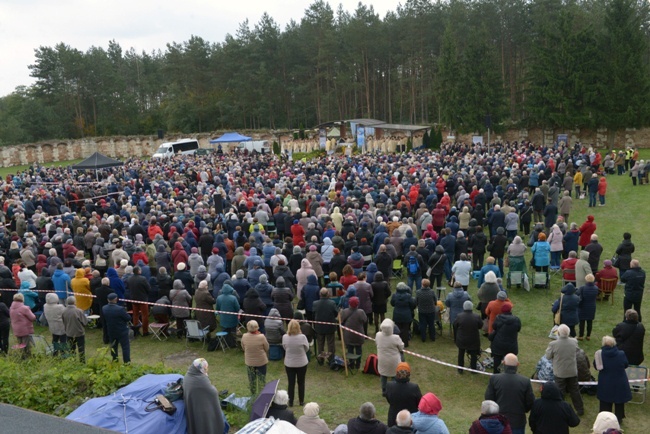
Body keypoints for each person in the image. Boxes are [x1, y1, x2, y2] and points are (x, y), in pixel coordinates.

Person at [484, 354, 533, 434]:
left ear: (503, 363)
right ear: (517, 364)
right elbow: (530, 402)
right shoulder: (525, 381)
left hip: (498, 420)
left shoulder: (494, 379)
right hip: (517, 421)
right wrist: (522, 409)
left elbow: (489, 398)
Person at [544, 324, 584, 416]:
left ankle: (559, 410)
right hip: (572, 371)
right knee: (575, 390)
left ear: (558, 333)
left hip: (560, 373)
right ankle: (580, 409)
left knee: (560, 392)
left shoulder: (553, 344)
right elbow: (577, 351)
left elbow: (548, 356)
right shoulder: (574, 342)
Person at [594, 336, 632, 424]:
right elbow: (626, 364)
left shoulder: (599, 354)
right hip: (619, 380)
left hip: (605, 381)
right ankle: (619, 418)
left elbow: (596, 366)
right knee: (619, 401)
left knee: (605, 401)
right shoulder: (621, 354)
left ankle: (605, 419)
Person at [183, 358, 226, 434]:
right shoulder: (201, 380)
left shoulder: (188, 375)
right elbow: (213, 393)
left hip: (193, 406)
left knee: (197, 424)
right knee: (206, 424)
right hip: (202, 408)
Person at [385, 362, 422, 427]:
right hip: (410, 419)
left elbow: (389, 399)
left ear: (397, 373)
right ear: (408, 374)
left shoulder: (389, 386)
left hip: (393, 418)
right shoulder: (414, 387)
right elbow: (420, 403)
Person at [283, 319, 309, 407]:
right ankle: (301, 401)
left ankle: (290, 402)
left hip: (289, 363)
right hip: (301, 362)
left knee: (291, 383)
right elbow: (307, 348)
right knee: (301, 382)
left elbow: (285, 347)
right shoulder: (302, 337)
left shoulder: (285, 337)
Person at [376, 318, 405, 396]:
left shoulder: (378, 335)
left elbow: (377, 343)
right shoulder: (396, 337)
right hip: (393, 360)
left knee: (383, 374)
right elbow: (401, 347)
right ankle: (392, 390)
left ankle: (384, 390)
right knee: (394, 375)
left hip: (382, 360)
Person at [489, 304, 520, 374]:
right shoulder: (516, 320)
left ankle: (496, 375)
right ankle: (509, 374)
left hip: (498, 343)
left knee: (497, 360)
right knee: (510, 361)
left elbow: (494, 327)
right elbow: (518, 329)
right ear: (510, 310)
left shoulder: (498, 318)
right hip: (511, 344)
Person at [453, 300, 483, 374]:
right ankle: (473, 369)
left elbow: (455, 325)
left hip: (462, 339)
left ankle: (460, 369)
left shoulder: (459, 316)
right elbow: (480, 325)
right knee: (474, 354)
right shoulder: (476, 316)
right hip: (473, 339)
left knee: (461, 353)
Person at [102, 292, 131, 363]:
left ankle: (115, 360)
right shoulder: (120, 309)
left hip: (111, 330)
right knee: (125, 347)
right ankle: (127, 362)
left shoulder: (104, 308)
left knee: (113, 347)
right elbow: (128, 318)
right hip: (121, 331)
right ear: (116, 299)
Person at [341, 296, 367, 369]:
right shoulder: (361, 312)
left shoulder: (345, 311)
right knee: (359, 349)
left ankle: (351, 364)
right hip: (359, 335)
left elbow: (341, 320)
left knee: (350, 349)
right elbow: (365, 320)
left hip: (348, 335)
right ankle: (358, 364)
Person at [313, 288, 338, 363]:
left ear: (320, 294)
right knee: (330, 343)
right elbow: (336, 313)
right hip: (329, 327)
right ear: (328, 294)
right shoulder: (332, 303)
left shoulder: (315, 303)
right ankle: (331, 359)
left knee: (320, 343)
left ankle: (321, 359)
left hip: (319, 327)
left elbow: (313, 314)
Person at [61, 296, 88, 362]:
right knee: (81, 348)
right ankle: (82, 362)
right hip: (79, 333)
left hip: (69, 333)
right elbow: (85, 322)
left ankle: (73, 361)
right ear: (74, 302)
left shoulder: (64, 311)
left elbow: (63, 321)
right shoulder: (78, 311)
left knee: (71, 349)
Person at [127, 265, 151, 336]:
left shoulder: (130, 278)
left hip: (134, 299)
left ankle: (136, 330)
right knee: (144, 315)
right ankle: (145, 331)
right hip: (142, 299)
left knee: (135, 315)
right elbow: (148, 288)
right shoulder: (143, 279)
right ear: (138, 271)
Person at [391, 282, 416, 347]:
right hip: (406, 315)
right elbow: (412, 305)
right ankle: (405, 343)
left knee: (398, 329)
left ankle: (398, 343)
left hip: (397, 314)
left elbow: (392, 303)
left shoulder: (394, 295)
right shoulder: (408, 296)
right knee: (406, 329)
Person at [577, 274, 599, 341]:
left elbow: (579, 295)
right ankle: (588, 335)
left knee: (582, 322)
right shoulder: (596, 288)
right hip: (592, 306)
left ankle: (581, 336)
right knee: (590, 322)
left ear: (586, 279)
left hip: (583, 306)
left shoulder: (582, 288)